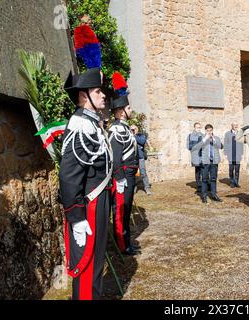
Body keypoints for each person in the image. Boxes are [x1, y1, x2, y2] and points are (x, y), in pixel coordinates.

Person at [59, 68, 112, 300]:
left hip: (99, 200)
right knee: (87, 263)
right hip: (88, 206)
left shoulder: (92, 123)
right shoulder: (80, 124)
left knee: (97, 260)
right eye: (98, 91)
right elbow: (69, 176)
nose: (103, 96)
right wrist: (76, 218)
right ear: (83, 96)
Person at [108, 72, 139, 256]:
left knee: (126, 210)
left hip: (129, 174)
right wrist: (119, 179)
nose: (131, 110)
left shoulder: (125, 128)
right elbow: (116, 157)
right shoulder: (116, 130)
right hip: (122, 176)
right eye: (129, 107)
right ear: (121, 111)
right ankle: (122, 245)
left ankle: (126, 242)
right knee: (120, 211)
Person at [199, 124, 223, 203]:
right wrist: (205, 139)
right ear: (205, 131)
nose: (209, 132)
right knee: (205, 179)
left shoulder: (216, 138)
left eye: (210, 130)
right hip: (205, 162)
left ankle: (214, 195)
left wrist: (214, 140)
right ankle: (204, 196)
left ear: (212, 130)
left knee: (213, 178)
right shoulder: (202, 138)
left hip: (214, 161)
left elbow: (221, 146)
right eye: (207, 131)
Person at [131, 125, 152, 195]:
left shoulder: (141, 136)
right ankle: (133, 189)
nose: (133, 130)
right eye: (131, 129)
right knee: (133, 174)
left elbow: (142, 142)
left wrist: (134, 135)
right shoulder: (129, 136)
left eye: (134, 129)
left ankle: (147, 188)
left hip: (140, 158)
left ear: (137, 129)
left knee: (143, 173)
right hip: (132, 158)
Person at [224, 122, 243, 188]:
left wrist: (242, 153)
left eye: (236, 125)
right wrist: (225, 153)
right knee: (231, 169)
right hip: (230, 154)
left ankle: (236, 182)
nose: (235, 126)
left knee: (237, 169)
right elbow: (225, 144)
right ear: (231, 126)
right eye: (234, 125)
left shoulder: (240, 134)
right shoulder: (227, 134)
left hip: (238, 154)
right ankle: (232, 182)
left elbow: (241, 144)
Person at [187, 123, 204, 195]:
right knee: (198, 171)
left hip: (203, 156)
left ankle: (205, 186)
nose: (198, 128)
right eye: (197, 127)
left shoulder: (203, 135)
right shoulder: (191, 136)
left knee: (204, 171)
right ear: (194, 128)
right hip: (196, 156)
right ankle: (199, 186)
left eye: (199, 127)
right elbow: (189, 146)